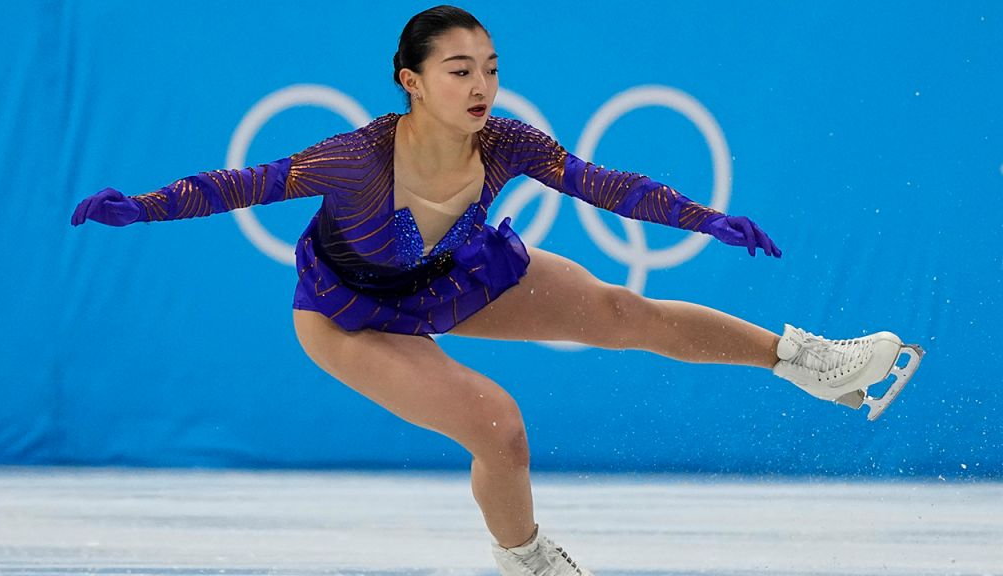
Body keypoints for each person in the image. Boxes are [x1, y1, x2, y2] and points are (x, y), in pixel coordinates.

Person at [70, 5, 924, 575]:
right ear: (409, 79)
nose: (480, 86)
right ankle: (527, 558)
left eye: (489, 68)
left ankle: (809, 362)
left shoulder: (508, 142)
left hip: (460, 273)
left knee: (627, 310)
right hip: (350, 316)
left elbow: (602, 184)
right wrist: (139, 209)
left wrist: (703, 218)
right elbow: (240, 185)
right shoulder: (355, 159)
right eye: (457, 70)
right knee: (501, 430)